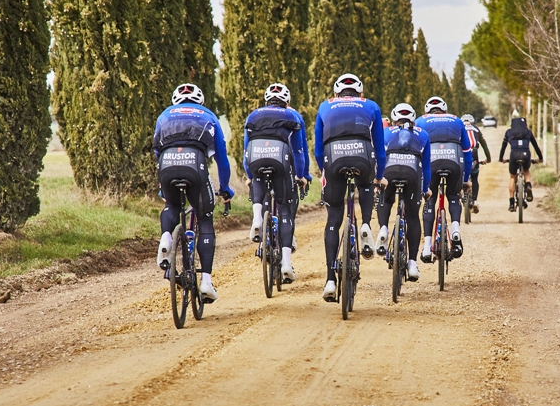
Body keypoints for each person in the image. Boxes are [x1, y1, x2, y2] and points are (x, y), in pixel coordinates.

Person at [154, 83, 234, 303]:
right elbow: (221, 159)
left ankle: (166, 238)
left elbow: (156, 149)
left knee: (171, 206)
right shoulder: (208, 115)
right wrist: (225, 189)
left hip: (167, 163)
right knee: (205, 218)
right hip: (195, 164)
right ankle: (206, 282)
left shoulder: (164, 116)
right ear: (200, 100)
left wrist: (162, 184)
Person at [315, 73, 387, 302]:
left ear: (336, 93)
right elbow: (380, 147)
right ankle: (365, 223)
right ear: (360, 93)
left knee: (333, 219)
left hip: (333, 157)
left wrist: (323, 171)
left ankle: (329, 280)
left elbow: (318, 149)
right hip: (363, 155)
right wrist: (380, 177)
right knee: (366, 184)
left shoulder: (325, 106)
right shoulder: (372, 106)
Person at [243, 83, 310, 283]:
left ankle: (257, 219)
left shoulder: (253, 115)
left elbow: (246, 150)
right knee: (285, 208)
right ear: (286, 102)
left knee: (258, 179)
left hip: (256, 157)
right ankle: (287, 264)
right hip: (281, 161)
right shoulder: (293, 116)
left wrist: (249, 175)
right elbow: (299, 151)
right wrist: (301, 175)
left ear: (266, 101)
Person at [376, 103, 430, 282]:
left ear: (393, 119)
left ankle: (383, 228)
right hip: (412, 174)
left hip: (389, 172)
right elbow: (427, 168)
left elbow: (378, 157)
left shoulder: (386, 132)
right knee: (413, 217)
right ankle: (413, 264)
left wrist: (377, 181)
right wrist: (425, 189)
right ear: (413, 120)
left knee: (385, 199)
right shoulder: (423, 134)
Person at [416, 96, 472, 260]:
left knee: (430, 200)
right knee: (453, 196)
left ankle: (426, 247)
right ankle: (455, 229)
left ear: (427, 111)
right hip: (454, 161)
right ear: (444, 110)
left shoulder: (420, 121)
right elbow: (467, 153)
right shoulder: (456, 120)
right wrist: (466, 179)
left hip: (431, 163)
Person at [499, 111, 544, 212]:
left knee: (512, 176)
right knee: (526, 170)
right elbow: (535, 146)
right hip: (526, 154)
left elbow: (503, 147)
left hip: (514, 155)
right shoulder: (528, 132)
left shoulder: (509, 132)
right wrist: (540, 158)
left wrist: (501, 158)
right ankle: (528, 185)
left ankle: (511, 203)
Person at [461, 114, 492, 213]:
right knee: (474, 178)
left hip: (461, 154)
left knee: (458, 176)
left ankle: (458, 194)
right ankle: (474, 200)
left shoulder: (459, 128)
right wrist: (488, 159)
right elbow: (484, 145)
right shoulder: (476, 129)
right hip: (473, 154)